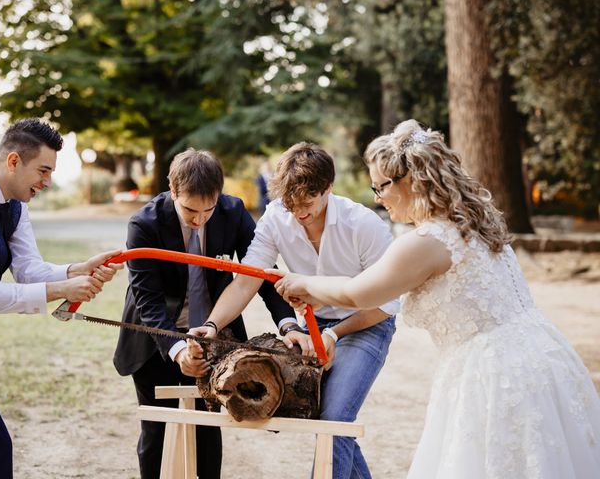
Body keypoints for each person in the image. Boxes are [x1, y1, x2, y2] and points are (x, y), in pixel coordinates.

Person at [272, 120, 600, 479]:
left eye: (381, 186)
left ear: (410, 181)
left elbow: (359, 293)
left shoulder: (428, 241)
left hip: (491, 373)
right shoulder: (476, 221)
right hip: (541, 354)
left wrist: (304, 282)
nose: (377, 198)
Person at [192, 142, 399, 479]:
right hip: (315, 324)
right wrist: (212, 325)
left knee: (334, 419)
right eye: (291, 205)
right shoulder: (276, 216)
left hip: (366, 323)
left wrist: (333, 333)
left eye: (307, 203)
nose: (299, 213)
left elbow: (388, 302)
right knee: (331, 420)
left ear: (328, 189)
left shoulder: (362, 224)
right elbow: (247, 282)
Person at [113, 148, 295, 479]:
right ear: (172, 188)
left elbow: (263, 273)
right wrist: (178, 348)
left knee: (208, 432)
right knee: (158, 431)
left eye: (208, 210)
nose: (199, 219)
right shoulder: (144, 224)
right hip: (156, 339)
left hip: (215, 338)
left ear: (219, 196)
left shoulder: (233, 212)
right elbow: (147, 298)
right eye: (189, 210)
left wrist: (287, 322)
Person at [0, 118, 122, 479]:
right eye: (43, 170)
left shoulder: (16, 204)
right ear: (13, 161)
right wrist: (61, 291)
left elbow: (29, 269)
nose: (47, 182)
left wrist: (76, 270)